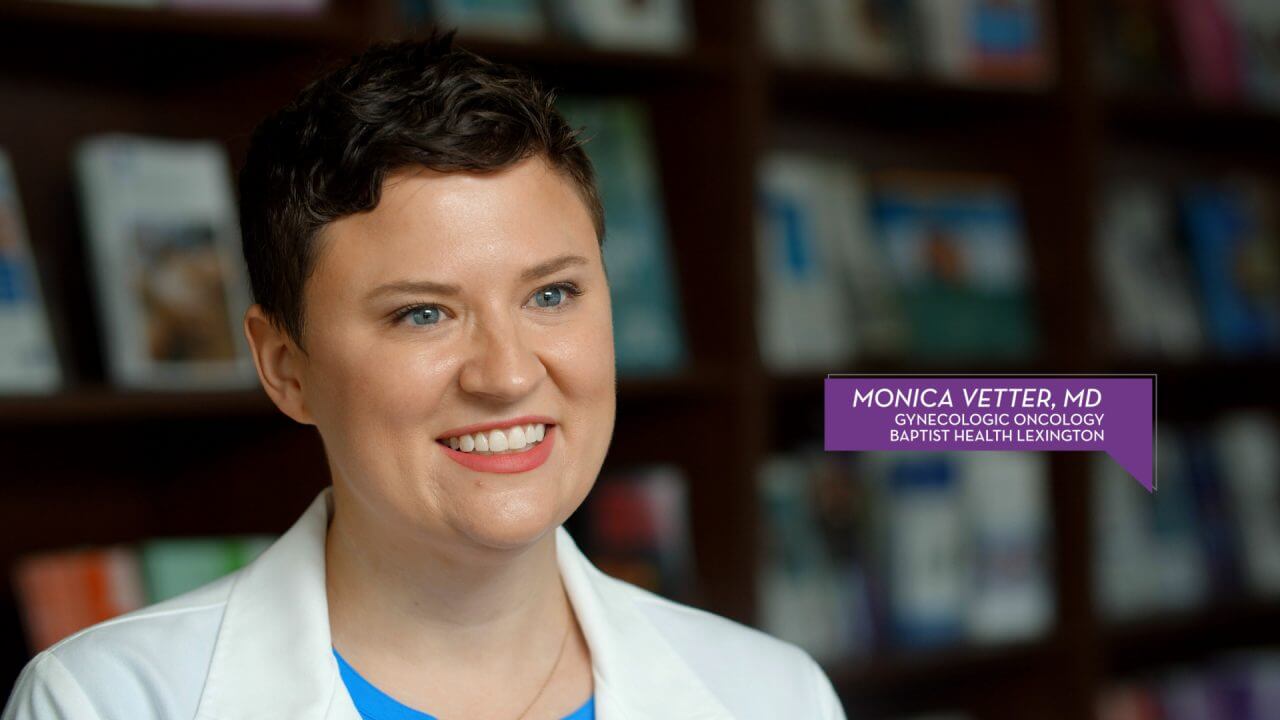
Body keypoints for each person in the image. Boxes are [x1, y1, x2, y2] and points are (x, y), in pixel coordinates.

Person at [1, 31, 847, 720]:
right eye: (423, 314)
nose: (507, 375)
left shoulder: (774, 697)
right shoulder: (105, 702)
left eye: (551, 295)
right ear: (285, 369)